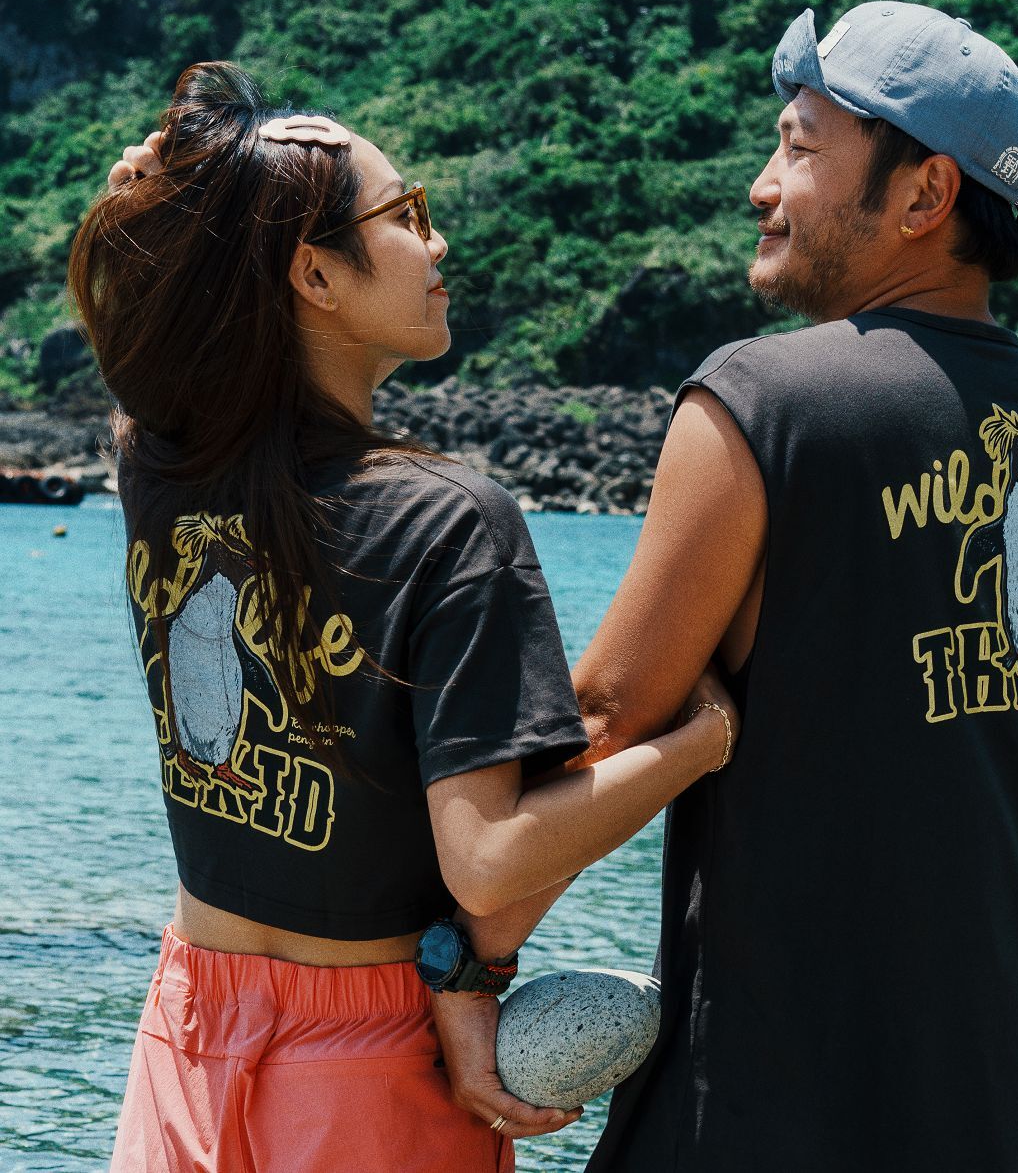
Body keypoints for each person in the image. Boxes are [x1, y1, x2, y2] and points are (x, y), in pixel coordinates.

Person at [446, 1, 1018, 1171]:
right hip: (1012, 1131)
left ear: (925, 195)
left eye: (800, 148)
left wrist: (463, 969)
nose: (763, 186)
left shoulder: (768, 405)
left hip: (762, 1124)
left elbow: (608, 722)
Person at [78, 61, 740, 1173]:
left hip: (186, 1034)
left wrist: (150, 206)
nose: (437, 245)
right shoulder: (448, 522)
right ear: (315, 275)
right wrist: (701, 743)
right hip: (367, 1068)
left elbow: (137, 352)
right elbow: (487, 862)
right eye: (406, 215)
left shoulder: (159, 472)